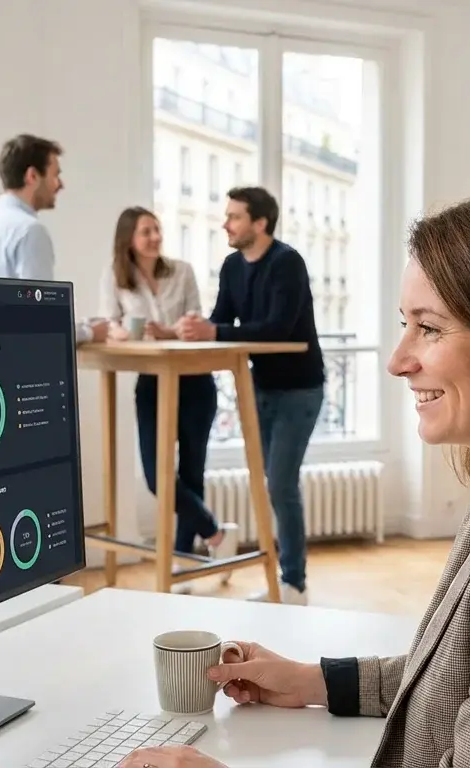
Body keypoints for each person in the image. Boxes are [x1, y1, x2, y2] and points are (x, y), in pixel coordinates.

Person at [127, 191, 470, 768]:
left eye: (429, 328)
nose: (398, 360)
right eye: (405, 324)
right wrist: (313, 680)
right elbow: (457, 677)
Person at [177, 187, 324, 606]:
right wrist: (194, 328)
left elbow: (277, 328)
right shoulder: (231, 266)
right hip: (260, 387)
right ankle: (286, 580)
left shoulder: (287, 262)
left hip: (300, 389)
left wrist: (215, 331)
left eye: (234, 217)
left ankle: (294, 583)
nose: (226, 224)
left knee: (280, 483)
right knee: (271, 483)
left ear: (260, 223)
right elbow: (221, 320)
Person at [98, 207, 237, 575]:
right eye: (147, 231)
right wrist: (120, 332)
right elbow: (109, 323)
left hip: (195, 380)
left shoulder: (182, 271)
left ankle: (182, 559)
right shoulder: (115, 276)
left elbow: (195, 324)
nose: (155, 237)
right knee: (155, 474)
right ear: (129, 238)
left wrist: (168, 331)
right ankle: (215, 532)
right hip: (151, 381)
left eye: (157, 229)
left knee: (192, 473)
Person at [0, 133, 106, 342]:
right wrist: (89, 333)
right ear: (32, 176)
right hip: (18, 357)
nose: (60, 184)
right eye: (55, 175)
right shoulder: (30, 231)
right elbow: (40, 319)